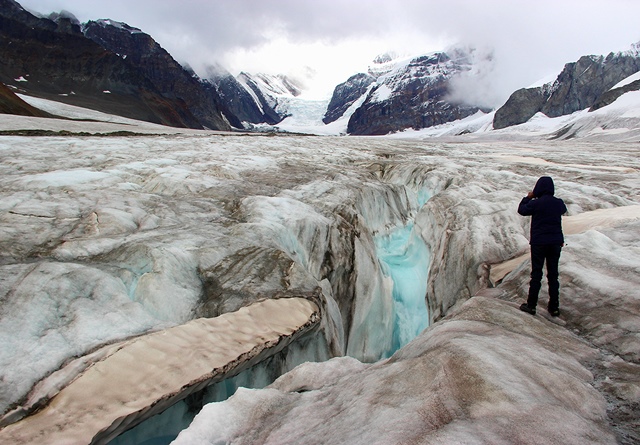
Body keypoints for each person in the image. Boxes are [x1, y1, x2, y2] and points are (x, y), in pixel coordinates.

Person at [517, 176, 567, 316]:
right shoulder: (558, 203)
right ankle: (554, 308)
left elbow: (521, 210)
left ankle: (531, 305)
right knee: (553, 275)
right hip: (555, 242)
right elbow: (563, 210)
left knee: (536, 274)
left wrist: (528, 197)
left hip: (539, 243)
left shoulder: (536, 203)